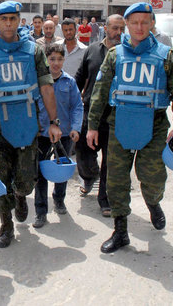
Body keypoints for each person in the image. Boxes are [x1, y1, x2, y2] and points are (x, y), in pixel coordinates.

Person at [86, 2, 173, 254]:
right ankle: (120, 231)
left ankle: (153, 203)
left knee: (152, 178)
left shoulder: (167, 56)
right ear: (127, 25)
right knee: (116, 180)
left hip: (154, 126)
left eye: (145, 21)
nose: (140, 27)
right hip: (120, 123)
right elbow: (99, 92)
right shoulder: (114, 55)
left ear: (152, 23)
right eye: (134, 22)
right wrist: (92, 126)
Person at [0, 1, 62, 248]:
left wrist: (54, 122)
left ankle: (21, 195)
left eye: (13, 18)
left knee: (25, 179)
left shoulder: (34, 51)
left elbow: (46, 86)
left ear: (18, 20)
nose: (9, 23)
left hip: (27, 122)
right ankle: (5, 225)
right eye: (4, 19)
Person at [74, 14, 125, 217]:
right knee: (83, 150)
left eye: (122, 29)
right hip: (90, 112)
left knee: (110, 160)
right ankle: (88, 176)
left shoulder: (126, 53)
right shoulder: (93, 50)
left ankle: (104, 199)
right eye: (114, 28)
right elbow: (80, 78)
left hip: (116, 115)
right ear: (105, 28)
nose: (118, 33)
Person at [33, 43, 83, 228]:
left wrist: (76, 128)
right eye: (52, 59)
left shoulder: (69, 82)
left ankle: (59, 199)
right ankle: (40, 211)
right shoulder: (39, 82)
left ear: (64, 60)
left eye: (59, 59)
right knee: (40, 172)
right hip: (42, 134)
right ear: (46, 59)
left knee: (62, 168)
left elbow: (77, 106)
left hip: (64, 133)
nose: (55, 63)